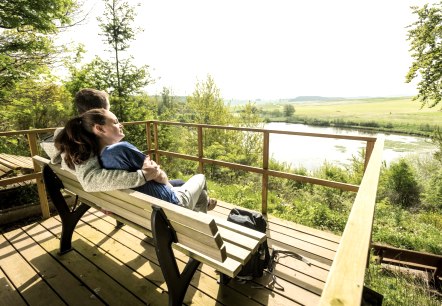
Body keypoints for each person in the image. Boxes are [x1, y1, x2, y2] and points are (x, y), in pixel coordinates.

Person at [55, 108, 217, 213]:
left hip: (139, 211)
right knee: (200, 178)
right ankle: (201, 216)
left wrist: (102, 204)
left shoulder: (84, 158)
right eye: (116, 121)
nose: (121, 124)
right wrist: (147, 176)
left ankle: (204, 203)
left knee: (196, 192)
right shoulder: (119, 151)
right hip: (170, 208)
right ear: (100, 129)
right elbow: (161, 178)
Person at [40, 88, 183, 192]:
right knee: (183, 185)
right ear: (99, 115)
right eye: (109, 111)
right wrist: (144, 176)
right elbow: (90, 180)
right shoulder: (85, 147)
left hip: (112, 198)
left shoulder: (70, 142)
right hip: (135, 200)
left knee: (182, 184)